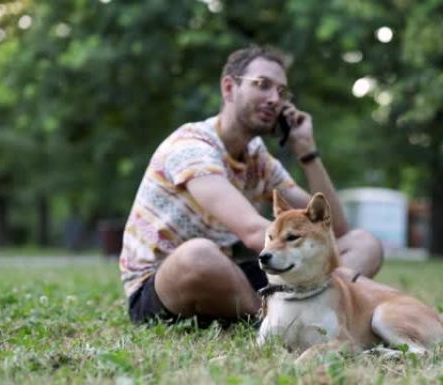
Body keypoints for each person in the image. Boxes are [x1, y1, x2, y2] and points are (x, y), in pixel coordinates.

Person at [120, 46, 384, 326]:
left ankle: (303, 309)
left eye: (282, 93)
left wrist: (306, 151)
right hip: (163, 286)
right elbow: (251, 231)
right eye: (263, 85)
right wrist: (335, 271)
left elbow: (334, 229)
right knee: (199, 255)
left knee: (363, 243)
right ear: (229, 88)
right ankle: (275, 320)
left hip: (228, 280)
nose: (274, 99)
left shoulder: (257, 157)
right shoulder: (191, 147)